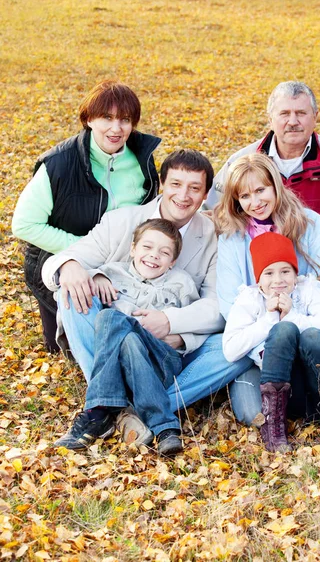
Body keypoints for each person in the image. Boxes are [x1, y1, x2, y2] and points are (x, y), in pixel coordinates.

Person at [42, 149, 254, 445]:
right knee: (72, 292)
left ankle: (119, 407)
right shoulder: (122, 221)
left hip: (169, 347)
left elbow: (219, 306)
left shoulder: (215, 237)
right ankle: (112, 402)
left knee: (237, 348)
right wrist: (70, 266)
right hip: (113, 336)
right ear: (161, 185)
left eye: (194, 188)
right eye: (176, 184)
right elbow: (62, 261)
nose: (183, 195)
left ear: (206, 194)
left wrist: (171, 324)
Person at [206, 81, 320, 388]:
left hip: (317, 254)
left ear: (315, 116)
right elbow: (212, 208)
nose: (293, 121)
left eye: (301, 113)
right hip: (258, 280)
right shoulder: (245, 160)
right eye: (285, 113)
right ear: (271, 117)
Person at [214, 152, 320, 426]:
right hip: (261, 343)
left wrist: (301, 329)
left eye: (261, 190)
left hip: (310, 326)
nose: (255, 202)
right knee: (250, 413)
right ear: (236, 201)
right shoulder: (232, 238)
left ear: (275, 185)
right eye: (245, 196)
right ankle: (305, 389)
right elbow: (231, 307)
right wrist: (271, 350)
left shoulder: (309, 222)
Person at [12, 80, 160, 353]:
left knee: (127, 336)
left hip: (119, 265)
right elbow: (24, 224)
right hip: (56, 259)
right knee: (74, 347)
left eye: (125, 120)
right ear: (89, 118)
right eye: (107, 118)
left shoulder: (141, 161)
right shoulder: (59, 164)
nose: (116, 128)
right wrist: (81, 254)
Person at [55, 218, 201, 456]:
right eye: (147, 247)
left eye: (164, 252)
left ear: (172, 261)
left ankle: (99, 410)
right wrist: (97, 275)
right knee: (126, 337)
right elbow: (77, 287)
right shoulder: (113, 273)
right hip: (127, 362)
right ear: (133, 249)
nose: (154, 256)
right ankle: (165, 428)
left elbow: (198, 322)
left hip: (161, 360)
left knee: (110, 319)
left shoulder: (182, 284)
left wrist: (181, 337)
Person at [223, 231, 320, 452]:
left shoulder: (307, 290)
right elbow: (230, 350)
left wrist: (293, 317)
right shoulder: (249, 300)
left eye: (285, 271)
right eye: (269, 273)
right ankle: (274, 427)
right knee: (283, 331)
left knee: (312, 334)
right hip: (284, 390)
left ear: (295, 273)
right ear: (258, 278)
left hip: (318, 382)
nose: (278, 280)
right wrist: (270, 319)